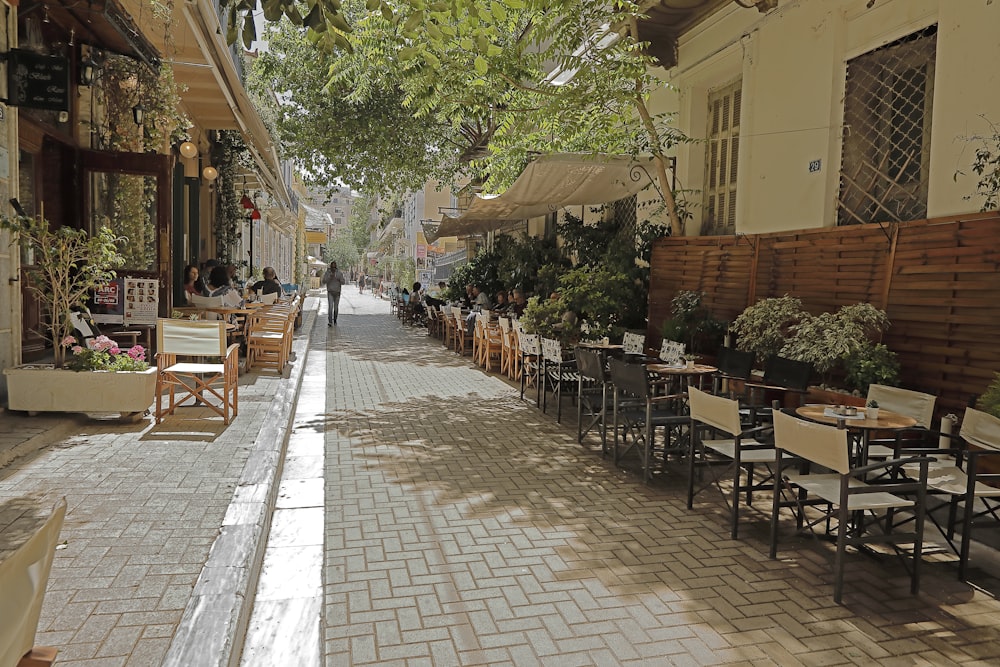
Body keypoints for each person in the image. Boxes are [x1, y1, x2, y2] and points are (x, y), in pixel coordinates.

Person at [322, 260, 346, 326]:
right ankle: (330, 321)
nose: (333, 269)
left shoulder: (339, 273)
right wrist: (329, 277)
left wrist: (339, 279)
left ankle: (335, 319)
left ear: (336, 268)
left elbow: (343, 282)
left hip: (337, 292)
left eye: (334, 268)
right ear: (330, 267)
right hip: (330, 292)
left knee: (336, 307)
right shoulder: (327, 273)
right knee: (330, 307)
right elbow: (323, 281)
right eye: (332, 268)